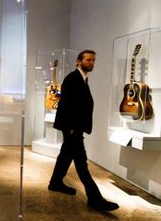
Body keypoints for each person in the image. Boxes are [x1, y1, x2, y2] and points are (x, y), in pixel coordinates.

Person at [48, 50, 119, 212]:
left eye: (93, 60)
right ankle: (95, 199)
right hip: (72, 129)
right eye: (88, 60)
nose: (91, 63)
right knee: (82, 164)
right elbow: (66, 104)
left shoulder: (82, 79)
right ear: (78, 61)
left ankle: (55, 182)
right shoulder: (73, 79)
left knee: (66, 155)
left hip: (74, 128)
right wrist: (71, 128)